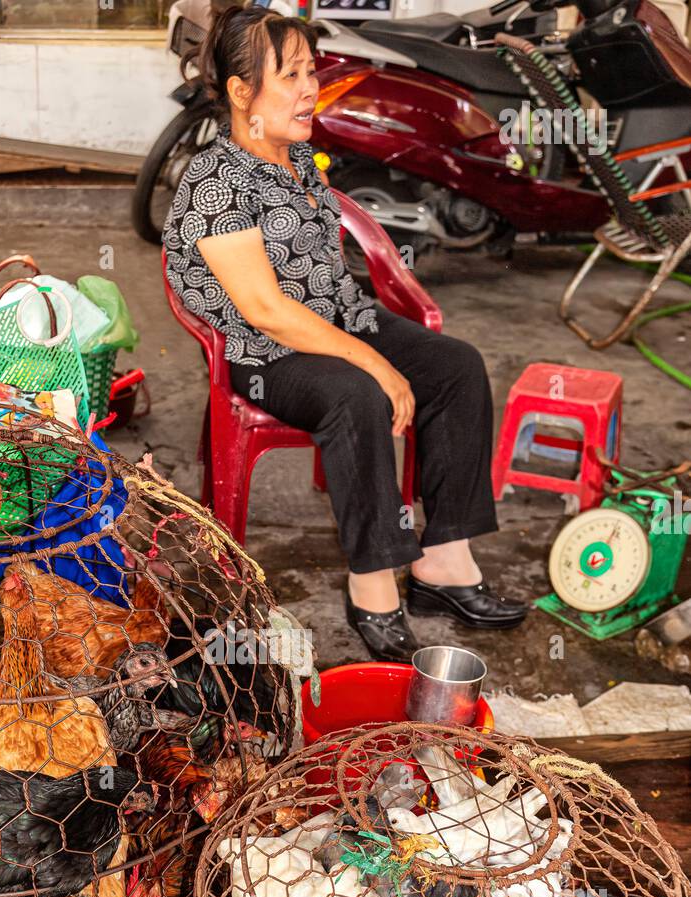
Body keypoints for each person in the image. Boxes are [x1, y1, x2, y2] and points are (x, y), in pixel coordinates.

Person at [163, 6, 527, 661]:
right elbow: (267, 310)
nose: (312, 88)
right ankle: (372, 588)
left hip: (338, 317)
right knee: (358, 392)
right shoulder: (214, 184)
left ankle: (443, 563)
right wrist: (377, 365)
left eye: (313, 70)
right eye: (291, 75)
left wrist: (369, 339)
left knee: (457, 367)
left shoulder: (297, 156)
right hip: (266, 349)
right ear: (242, 92)